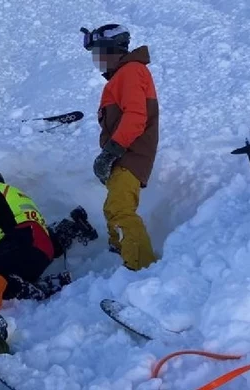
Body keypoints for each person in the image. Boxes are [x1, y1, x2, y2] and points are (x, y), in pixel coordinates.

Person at [81, 23, 159, 271]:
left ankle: (141, 270)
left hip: (129, 155)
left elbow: (136, 117)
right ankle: (123, 260)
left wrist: (111, 151)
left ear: (113, 49)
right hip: (124, 156)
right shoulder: (121, 77)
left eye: (100, 54)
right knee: (113, 209)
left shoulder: (131, 71)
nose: (98, 61)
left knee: (121, 210)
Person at [0, 166, 98, 300]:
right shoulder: (16, 196)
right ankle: (70, 229)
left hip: (21, 245)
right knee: (5, 268)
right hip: (42, 253)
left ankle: (26, 290)